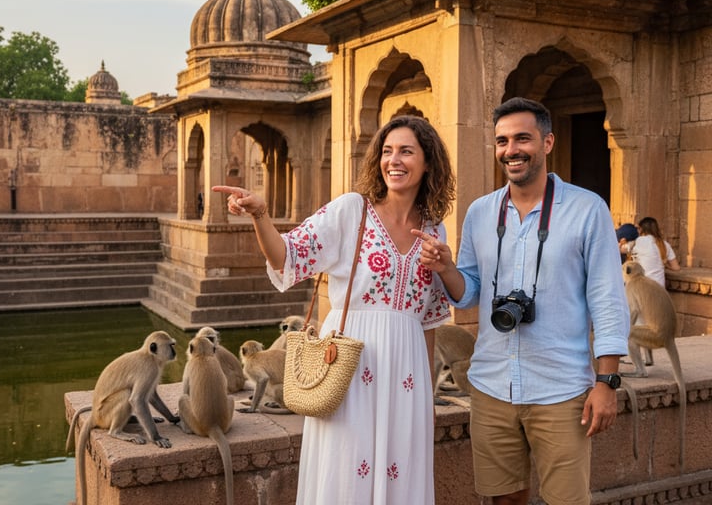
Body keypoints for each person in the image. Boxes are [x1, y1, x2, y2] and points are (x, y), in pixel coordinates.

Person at [213, 115, 457, 505]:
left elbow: (427, 319)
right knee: (347, 472)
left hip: (406, 375)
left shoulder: (434, 229)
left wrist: (424, 396)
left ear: (428, 162)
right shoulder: (351, 211)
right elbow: (287, 256)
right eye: (387, 151)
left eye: (406, 151)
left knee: (402, 473)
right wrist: (261, 215)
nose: (394, 160)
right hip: (350, 368)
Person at [415, 97, 630, 505]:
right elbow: (470, 293)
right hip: (492, 385)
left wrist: (606, 382)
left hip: (561, 388)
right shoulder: (480, 213)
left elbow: (607, 300)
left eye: (522, 139)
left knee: (567, 500)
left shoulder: (586, 210)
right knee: (503, 499)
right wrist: (446, 269)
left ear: (547, 143)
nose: (511, 150)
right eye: (502, 141)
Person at [629, 216, 680, 287]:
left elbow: (624, 250)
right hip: (659, 288)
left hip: (643, 287)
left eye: (638, 228)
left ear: (641, 229)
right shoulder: (665, 244)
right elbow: (676, 267)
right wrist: (666, 265)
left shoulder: (640, 240)